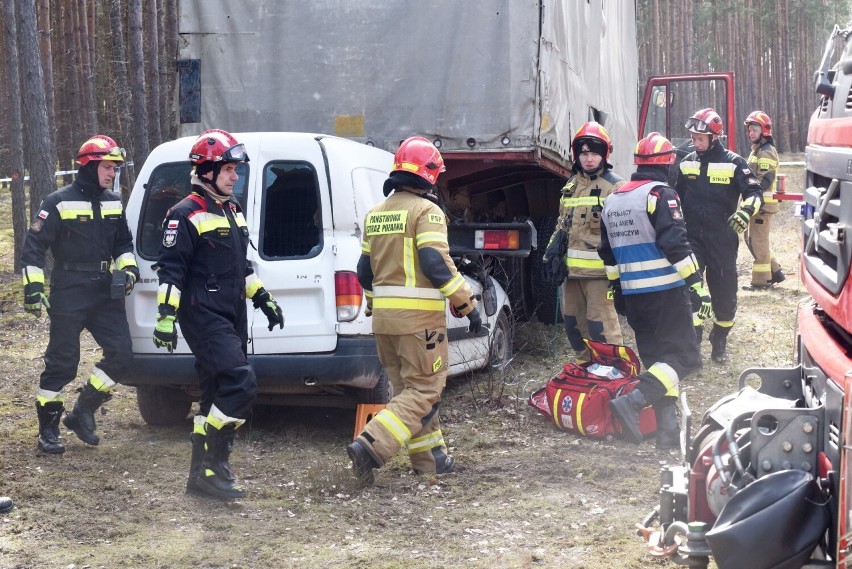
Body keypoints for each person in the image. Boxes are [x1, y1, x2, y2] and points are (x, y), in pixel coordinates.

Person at [153, 129, 284, 500]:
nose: (234, 176)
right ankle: (215, 464)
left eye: (235, 170)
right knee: (241, 382)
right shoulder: (184, 214)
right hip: (202, 314)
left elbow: (240, 267)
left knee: (214, 393)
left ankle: (199, 478)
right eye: (228, 169)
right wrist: (165, 316)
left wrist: (263, 299)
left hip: (232, 313)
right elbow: (171, 271)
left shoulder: (232, 210)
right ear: (206, 171)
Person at [347, 136, 482, 486]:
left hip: (385, 323)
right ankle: (371, 444)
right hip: (419, 323)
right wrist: (468, 305)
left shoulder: (375, 215)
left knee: (411, 392)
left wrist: (377, 307)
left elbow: (365, 272)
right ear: (431, 174)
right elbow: (436, 263)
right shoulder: (427, 211)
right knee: (425, 390)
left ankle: (430, 461)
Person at [22, 135, 139, 455]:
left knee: (121, 354)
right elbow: (34, 246)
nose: (112, 173)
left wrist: (128, 270)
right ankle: (48, 429)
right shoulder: (58, 201)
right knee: (63, 363)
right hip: (69, 288)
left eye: (115, 168)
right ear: (88, 167)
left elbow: (123, 245)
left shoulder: (115, 201)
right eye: (106, 167)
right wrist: (33, 286)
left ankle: (83, 410)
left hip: (104, 289)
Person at [600, 133, 710, 449]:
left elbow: (607, 256)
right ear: (668, 163)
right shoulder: (661, 195)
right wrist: (698, 287)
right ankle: (633, 401)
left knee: (661, 361)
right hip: (665, 292)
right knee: (686, 357)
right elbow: (676, 245)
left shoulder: (614, 199)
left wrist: (617, 292)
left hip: (634, 298)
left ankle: (668, 432)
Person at [674, 108, 762, 363]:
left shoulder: (734, 162)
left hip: (722, 238)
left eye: (700, 138)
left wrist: (745, 212)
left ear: (715, 137)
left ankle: (720, 337)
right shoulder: (687, 161)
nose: (695, 142)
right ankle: (694, 339)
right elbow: (675, 195)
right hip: (692, 237)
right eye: (693, 137)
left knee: (725, 293)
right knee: (690, 285)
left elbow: (754, 192)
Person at [542, 121, 623, 362]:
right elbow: (561, 223)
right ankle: (585, 369)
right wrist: (550, 256)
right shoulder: (571, 186)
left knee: (601, 328)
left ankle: (612, 370)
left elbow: (622, 231)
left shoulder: (615, 187)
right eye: (584, 153)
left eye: (594, 153)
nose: (589, 159)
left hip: (600, 275)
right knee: (573, 325)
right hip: (572, 274)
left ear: (604, 155)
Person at [742, 111, 785, 289]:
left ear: (764, 131)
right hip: (757, 203)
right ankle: (775, 272)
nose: (751, 133)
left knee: (757, 241)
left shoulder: (766, 151)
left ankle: (761, 281)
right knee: (751, 237)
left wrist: (753, 197)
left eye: (754, 130)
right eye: (750, 130)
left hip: (762, 204)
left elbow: (765, 178)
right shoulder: (757, 150)